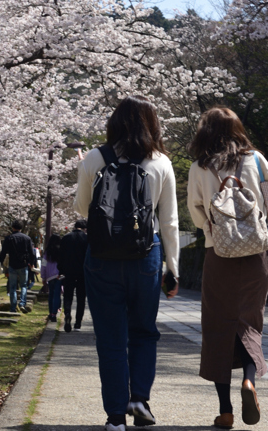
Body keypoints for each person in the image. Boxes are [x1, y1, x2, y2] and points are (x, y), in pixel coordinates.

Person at [75, 96, 181, 431]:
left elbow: (81, 210)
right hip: (145, 256)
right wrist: (173, 268)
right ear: (152, 124)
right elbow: (170, 222)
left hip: (102, 257)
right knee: (144, 332)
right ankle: (140, 399)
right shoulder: (160, 161)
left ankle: (115, 417)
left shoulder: (95, 157)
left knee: (109, 337)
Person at [186, 106, 268, 430]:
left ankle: (226, 410)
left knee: (218, 326)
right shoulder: (255, 160)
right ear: (237, 129)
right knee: (249, 322)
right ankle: (249, 381)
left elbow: (195, 211)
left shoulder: (200, 166)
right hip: (256, 255)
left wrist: (213, 229)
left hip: (219, 255)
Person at [0, 219, 37, 313]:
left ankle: (13, 307)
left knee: (12, 287)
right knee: (24, 285)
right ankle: (22, 303)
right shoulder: (27, 238)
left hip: (12, 264)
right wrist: (31, 263)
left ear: (12, 227)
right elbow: (32, 253)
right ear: (21, 228)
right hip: (23, 264)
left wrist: (0, 262)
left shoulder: (9, 238)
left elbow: (3, 252)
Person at [59, 219, 88, 332]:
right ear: (84, 228)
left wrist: (60, 270)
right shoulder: (86, 239)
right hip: (82, 272)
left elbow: (61, 255)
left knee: (68, 295)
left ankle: (67, 313)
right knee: (81, 298)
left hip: (68, 271)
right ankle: (78, 323)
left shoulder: (66, 238)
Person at [40, 233, 63, 323]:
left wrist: (43, 277)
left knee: (51, 295)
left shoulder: (47, 252)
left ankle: (50, 313)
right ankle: (54, 313)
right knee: (57, 295)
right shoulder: (61, 251)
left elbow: (43, 265)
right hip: (59, 275)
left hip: (49, 276)